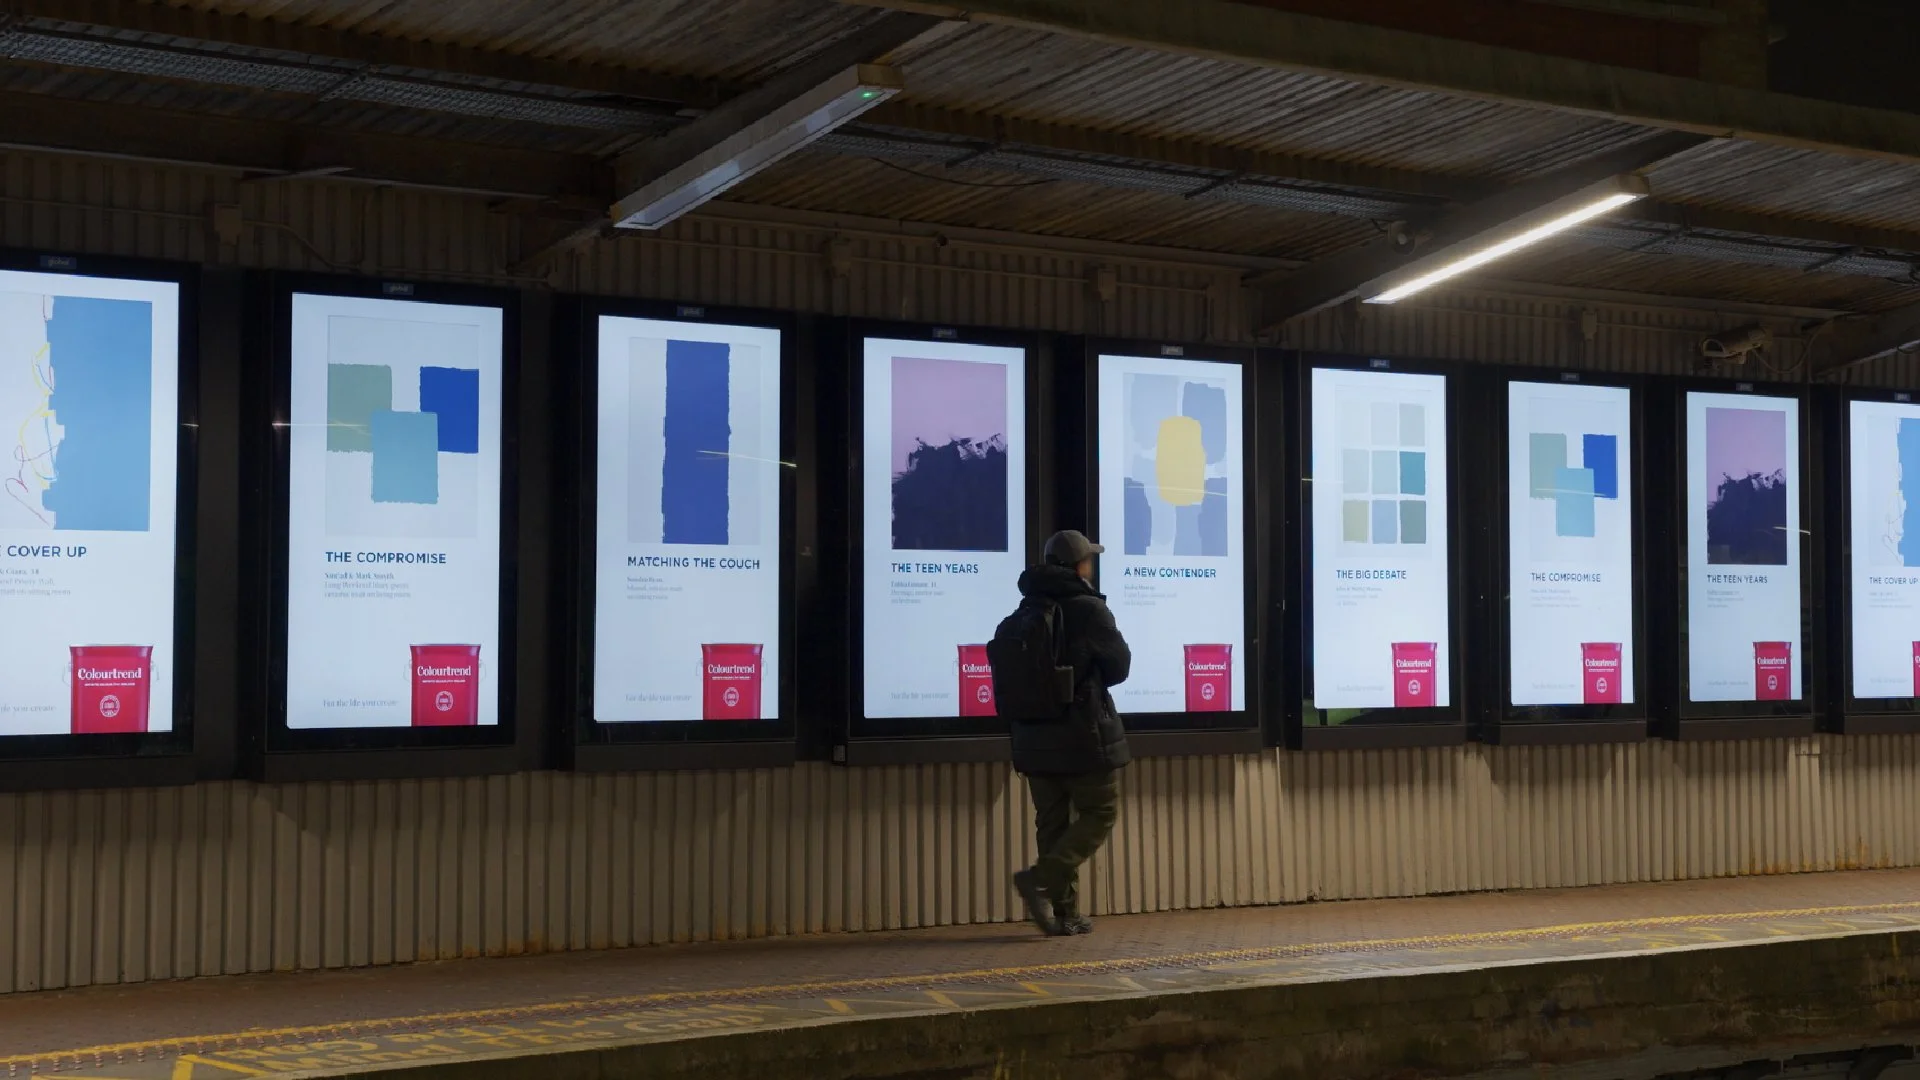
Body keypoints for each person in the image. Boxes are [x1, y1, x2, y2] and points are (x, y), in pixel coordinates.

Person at [1008, 529, 1131, 936]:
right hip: (1081, 736)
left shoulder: (1027, 609)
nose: (1092, 567)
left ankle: (1065, 913)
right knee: (1101, 811)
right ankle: (1042, 876)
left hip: (1033, 739)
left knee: (1052, 823)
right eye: (1089, 560)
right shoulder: (1089, 609)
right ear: (1079, 565)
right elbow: (1118, 666)